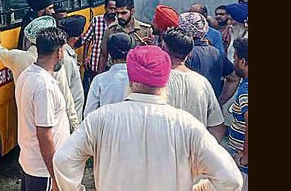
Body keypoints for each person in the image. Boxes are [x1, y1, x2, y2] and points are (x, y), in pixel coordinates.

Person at [53, 45, 243, 191]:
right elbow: (231, 179)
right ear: (166, 80)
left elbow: (63, 160)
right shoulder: (187, 125)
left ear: (130, 79)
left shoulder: (100, 119)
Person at [0, 16, 80, 131]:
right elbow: (67, 98)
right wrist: (75, 126)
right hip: (52, 128)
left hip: (27, 126)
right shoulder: (54, 62)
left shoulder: (17, 57)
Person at [15, 27, 70, 191]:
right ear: (59, 52)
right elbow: (44, 134)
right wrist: (55, 177)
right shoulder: (44, 86)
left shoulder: (27, 74)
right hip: (43, 171)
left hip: (31, 163)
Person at [161, 26, 225, 141]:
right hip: (194, 153)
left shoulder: (156, 82)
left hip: (163, 152)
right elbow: (217, 127)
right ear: (190, 53)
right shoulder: (202, 82)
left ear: (163, 48)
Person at [178, 12, 240, 105]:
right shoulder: (215, 53)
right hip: (210, 112)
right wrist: (218, 103)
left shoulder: (184, 55)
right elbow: (234, 78)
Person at [84, 32, 135, 117]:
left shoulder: (99, 80)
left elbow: (89, 113)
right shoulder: (138, 81)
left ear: (110, 54)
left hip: (104, 128)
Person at [97, 0, 153, 73]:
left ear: (132, 11)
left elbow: (151, 57)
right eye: (117, 13)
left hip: (137, 74)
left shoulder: (145, 30)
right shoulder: (111, 30)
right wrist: (100, 76)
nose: (119, 16)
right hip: (115, 73)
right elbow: (103, 55)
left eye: (123, 13)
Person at [77, 0, 117, 96]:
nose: (112, 11)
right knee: (92, 90)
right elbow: (87, 39)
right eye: (110, 8)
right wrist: (85, 58)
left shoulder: (118, 23)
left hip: (111, 63)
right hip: (95, 62)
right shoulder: (96, 20)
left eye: (114, 9)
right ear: (105, 8)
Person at [228, 37, 249, 190]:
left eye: (234, 57)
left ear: (242, 61)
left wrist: (245, 158)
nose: (233, 62)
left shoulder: (245, 90)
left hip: (243, 160)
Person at [57, 14, 86, 121]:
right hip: (70, 117)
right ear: (75, 39)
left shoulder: (68, 54)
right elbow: (65, 91)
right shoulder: (66, 59)